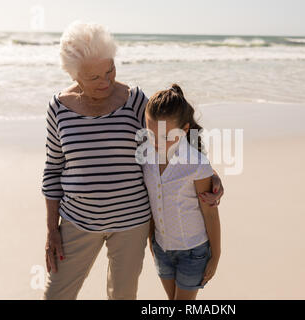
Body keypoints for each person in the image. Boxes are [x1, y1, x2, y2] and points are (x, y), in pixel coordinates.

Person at [41, 21, 224, 300]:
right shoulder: (58, 109)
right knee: (55, 295)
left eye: (110, 69)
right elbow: (53, 169)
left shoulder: (136, 100)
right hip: (78, 221)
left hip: (132, 223)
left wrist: (212, 176)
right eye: (94, 77)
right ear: (75, 75)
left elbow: (174, 134)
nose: (106, 81)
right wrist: (51, 229)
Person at [141, 84, 221, 300]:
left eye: (165, 137)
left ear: (184, 130)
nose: (157, 143)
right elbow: (151, 202)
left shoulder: (195, 164)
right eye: (150, 134)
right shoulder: (145, 158)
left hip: (193, 251)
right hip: (161, 248)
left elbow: (210, 213)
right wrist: (151, 240)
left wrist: (216, 256)